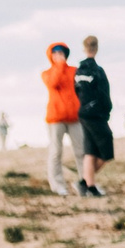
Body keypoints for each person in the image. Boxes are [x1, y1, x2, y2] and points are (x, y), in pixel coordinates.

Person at [40, 42, 82, 196]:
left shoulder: (74, 71)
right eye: (55, 52)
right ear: (50, 55)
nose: (59, 54)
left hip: (74, 117)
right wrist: (59, 65)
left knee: (81, 150)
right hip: (55, 118)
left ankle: (84, 182)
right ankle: (58, 184)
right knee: (56, 151)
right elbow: (53, 83)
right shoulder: (47, 73)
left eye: (62, 51)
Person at [74, 36, 112, 197]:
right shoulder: (97, 71)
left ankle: (88, 185)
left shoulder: (78, 71)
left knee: (90, 150)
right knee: (106, 151)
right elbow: (104, 94)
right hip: (96, 115)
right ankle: (85, 182)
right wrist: (106, 110)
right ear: (96, 48)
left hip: (83, 113)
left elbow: (76, 91)